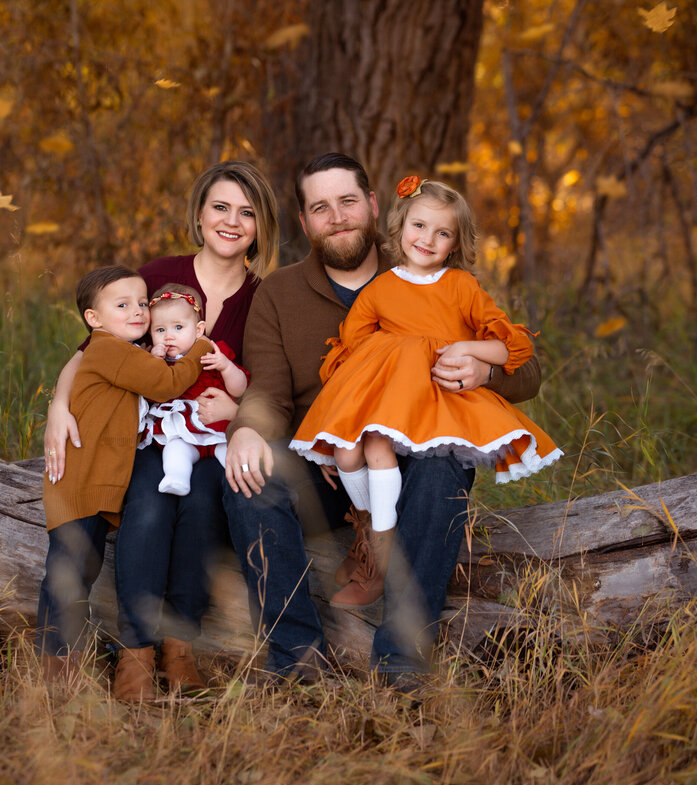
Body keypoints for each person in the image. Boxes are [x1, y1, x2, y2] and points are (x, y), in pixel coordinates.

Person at [223, 153, 543, 685]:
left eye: (347, 201)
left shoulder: (439, 276)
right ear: (304, 222)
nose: (338, 216)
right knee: (252, 478)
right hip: (329, 465)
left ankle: (401, 660)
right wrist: (248, 431)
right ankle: (298, 660)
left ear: (372, 205)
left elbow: (526, 367)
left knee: (442, 466)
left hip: (414, 461)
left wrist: (483, 376)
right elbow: (270, 393)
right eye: (320, 208)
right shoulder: (278, 294)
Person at [42, 161, 279, 699]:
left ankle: (180, 649)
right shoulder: (155, 275)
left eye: (247, 212)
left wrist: (238, 416)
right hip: (147, 430)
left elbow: (268, 384)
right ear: (199, 214)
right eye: (220, 207)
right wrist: (60, 401)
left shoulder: (263, 297)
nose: (232, 221)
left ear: (261, 225)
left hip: (214, 442)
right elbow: (93, 348)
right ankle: (136, 653)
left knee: (199, 506)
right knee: (148, 501)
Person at [290, 178, 561, 608]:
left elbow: (511, 348)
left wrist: (470, 350)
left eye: (442, 233)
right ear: (398, 227)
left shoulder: (461, 287)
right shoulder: (380, 290)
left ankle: (382, 562)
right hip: (390, 402)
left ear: (455, 243)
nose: (428, 239)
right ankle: (373, 535)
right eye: (419, 226)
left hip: (439, 405)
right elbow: (352, 351)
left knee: (410, 464)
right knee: (347, 453)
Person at [37, 266, 212, 698]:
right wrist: (200, 349)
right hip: (80, 482)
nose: (137, 312)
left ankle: (70, 664)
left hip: (100, 482)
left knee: (83, 567)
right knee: (69, 572)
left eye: (140, 303)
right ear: (93, 320)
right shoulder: (107, 351)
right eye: (122, 305)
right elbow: (166, 384)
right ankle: (55, 670)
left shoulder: (125, 351)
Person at [141, 283, 249, 495]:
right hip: (181, 433)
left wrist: (226, 366)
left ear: (199, 330)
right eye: (160, 330)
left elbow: (240, 389)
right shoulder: (157, 361)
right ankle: (177, 478)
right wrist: (154, 363)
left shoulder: (213, 353)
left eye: (178, 327)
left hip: (218, 429)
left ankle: (240, 473)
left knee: (230, 450)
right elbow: (149, 392)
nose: (169, 336)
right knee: (174, 451)